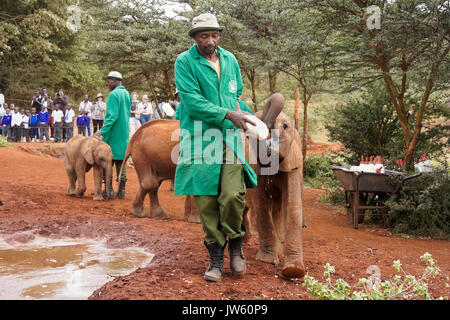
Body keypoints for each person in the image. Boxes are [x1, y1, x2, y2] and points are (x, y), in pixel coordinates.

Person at [174, 13, 257, 282]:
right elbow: (192, 102)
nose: (210, 40)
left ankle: (235, 244)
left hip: (230, 138)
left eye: (214, 35)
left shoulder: (230, 60)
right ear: (195, 38)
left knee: (232, 195)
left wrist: (249, 117)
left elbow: (236, 97)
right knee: (207, 201)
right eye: (204, 36)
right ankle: (215, 258)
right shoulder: (185, 63)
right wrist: (226, 114)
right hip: (199, 138)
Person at [95, 71, 131, 199]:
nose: (108, 83)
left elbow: (112, 117)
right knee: (121, 162)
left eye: (109, 81)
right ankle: (122, 191)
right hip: (124, 133)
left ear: (115, 81)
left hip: (113, 134)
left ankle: (108, 190)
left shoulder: (113, 95)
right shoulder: (127, 94)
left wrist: (101, 131)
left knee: (107, 162)